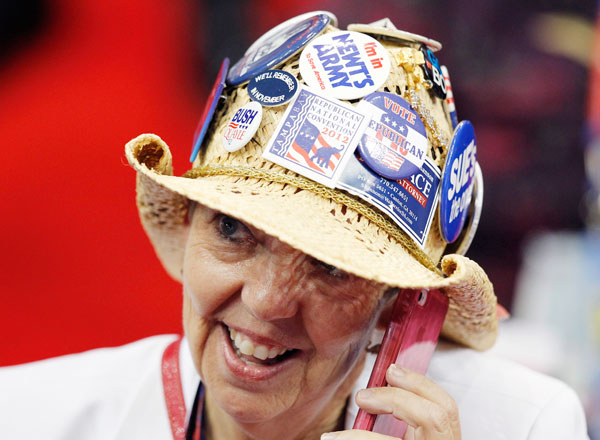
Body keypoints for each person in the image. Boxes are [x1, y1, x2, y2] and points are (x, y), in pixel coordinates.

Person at [0, 12, 590, 440]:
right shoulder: (32, 416)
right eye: (234, 232)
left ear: (401, 306)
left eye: (331, 266)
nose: (267, 301)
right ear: (187, 229)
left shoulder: (523, 424)